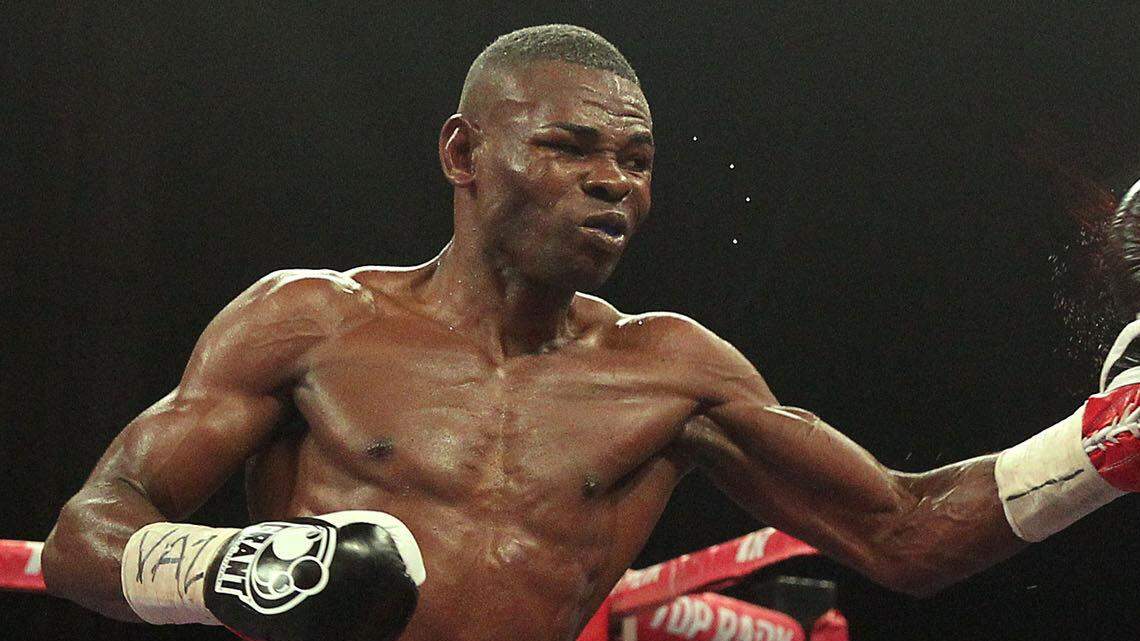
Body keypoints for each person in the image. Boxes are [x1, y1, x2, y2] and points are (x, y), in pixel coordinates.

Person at [40, 24, 1140, 641]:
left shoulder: (670, 371)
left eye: (638, 160)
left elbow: (910, 533)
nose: (613, 183)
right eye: (571, 148)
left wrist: (1105, 442)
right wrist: (238, 565)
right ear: (464, 154)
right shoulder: (309, 322)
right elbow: (90, 534)